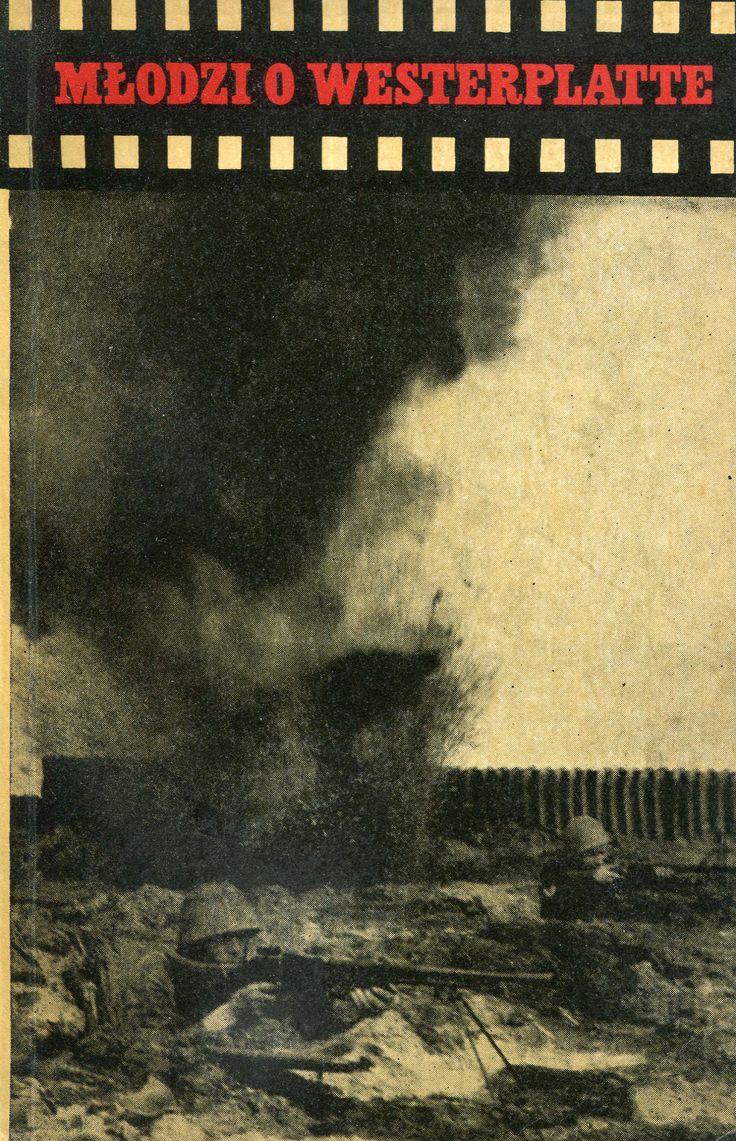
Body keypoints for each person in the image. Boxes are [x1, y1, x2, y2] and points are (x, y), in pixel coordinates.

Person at [539, 815, 671, 922]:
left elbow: (628, 874)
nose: (600, 859)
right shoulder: (554, 868)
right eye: (592, 854)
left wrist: (651, 872)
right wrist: (591, 878)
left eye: (602, 852)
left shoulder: (600, 869)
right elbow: (554, 900)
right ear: (574, 855)